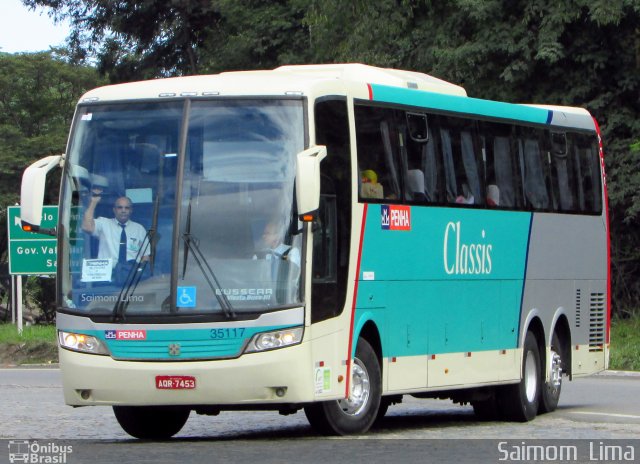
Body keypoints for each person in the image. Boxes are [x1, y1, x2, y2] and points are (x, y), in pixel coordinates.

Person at [82, 189, 150, 275]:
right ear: (114, 210)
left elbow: (145, 256)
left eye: (127, 208)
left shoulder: (139, 229)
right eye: (120, 207)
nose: (123, 210)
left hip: (131, 277)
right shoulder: (104, 223)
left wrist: (140, 273)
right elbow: (86, 227)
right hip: (108, 275)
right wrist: (93, 202)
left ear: (131, 210)